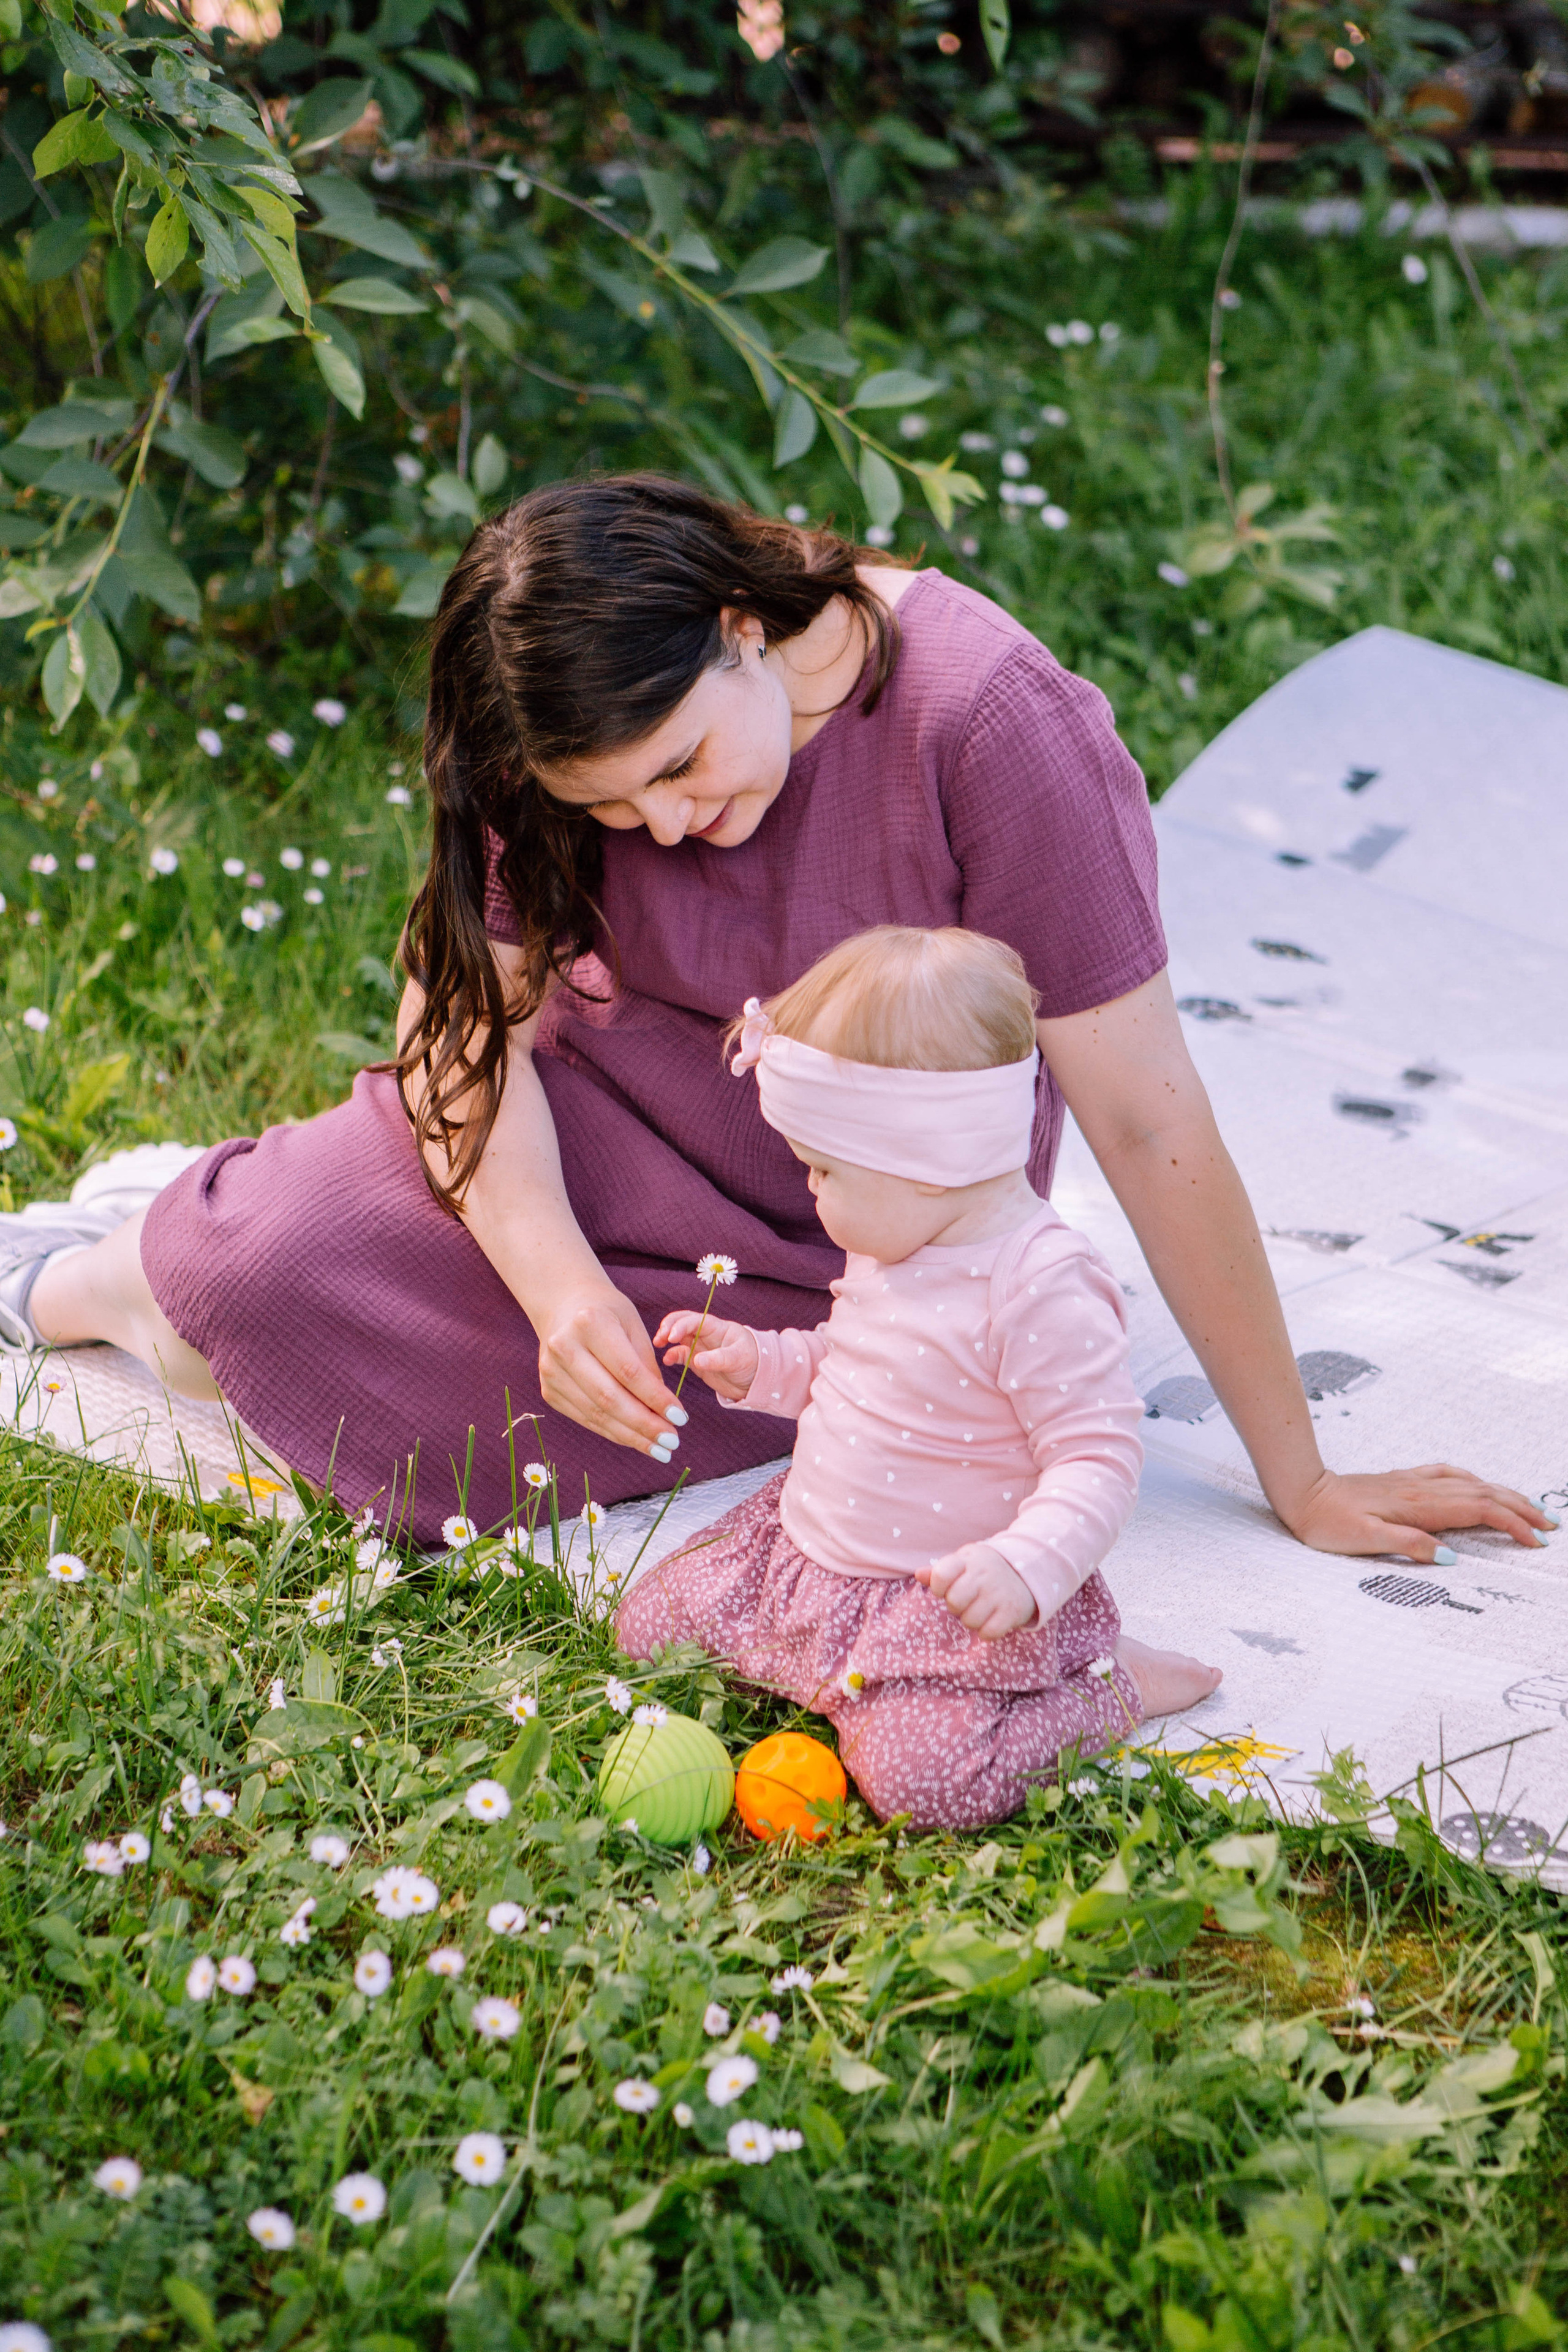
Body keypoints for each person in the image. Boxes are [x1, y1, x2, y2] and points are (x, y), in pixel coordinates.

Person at [0, 476, 1553, 1562]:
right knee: (277, 1257)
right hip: (595, 1140)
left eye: (676, 768)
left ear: (742, 622)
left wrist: (1300, 1473)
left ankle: (184, 1277)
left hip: (862, 1233)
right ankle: (97, 1276)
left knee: (814, 1403)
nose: (663, 830)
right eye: (609, 809)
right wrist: (552, 1296)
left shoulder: (986, 723)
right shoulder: (562, 725)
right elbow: (466, 1039)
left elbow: (1148, 1118)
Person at [617, 926, 1223, 1828]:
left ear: (929, 1164)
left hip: (947, 1603)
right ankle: (832, 1666)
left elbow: (1098, 1459)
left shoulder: (1039, 1283)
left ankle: (1107, 1686)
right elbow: (852, 1366)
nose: (811, 1191)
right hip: (811, 1559)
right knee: (647, 1626)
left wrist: (1024, 1568)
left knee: (923, 1783)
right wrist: (761, 1365)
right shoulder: (898, 1238)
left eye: (824, 1168)